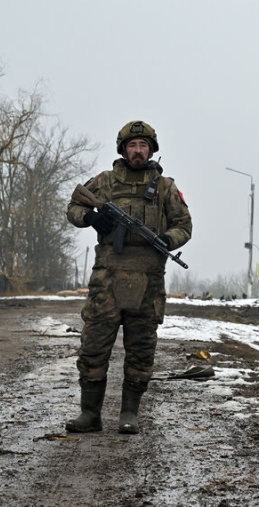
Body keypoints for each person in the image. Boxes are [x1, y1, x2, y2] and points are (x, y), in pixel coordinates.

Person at [65, 120, 192, 434]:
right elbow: (73, 207)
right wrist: (90, 217)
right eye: (133, 145)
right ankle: (89, 414)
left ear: (151, 150)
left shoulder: (165, 187)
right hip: (106, 280)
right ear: (123, 149)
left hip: (147, 282)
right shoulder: (105, 182)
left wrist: (168, 239)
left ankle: (129, 413)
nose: (138, 151)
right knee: (93, 346)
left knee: (141, 349)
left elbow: (184, 225)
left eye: (144, 146)